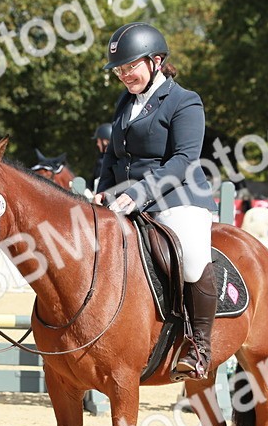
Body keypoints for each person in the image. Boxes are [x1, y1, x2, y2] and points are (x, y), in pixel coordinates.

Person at [93, 21, 216, 381]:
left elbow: (184, 159)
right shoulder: (125, 103)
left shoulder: (185, 101)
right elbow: (113, 158)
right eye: (119, 69)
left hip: (178, 197)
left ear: (156, 61)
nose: (124, 75)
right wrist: (104, 191)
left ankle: (200, 347)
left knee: (191, 260)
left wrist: (139, 193)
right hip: (129, 199)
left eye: (130, 66)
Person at [89, 123, 111, 194]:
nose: (97, 144)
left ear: (105, 141)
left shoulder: (105, 162)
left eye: (98, 141)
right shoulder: (101, 159)